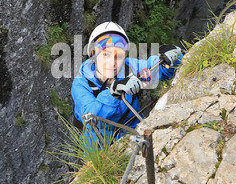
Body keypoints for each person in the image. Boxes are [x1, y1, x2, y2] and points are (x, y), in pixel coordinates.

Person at [71, 22, 183, 150]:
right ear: (93, 54)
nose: (112, 63)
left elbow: (161, 70)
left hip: (132, 137)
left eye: (118, 56)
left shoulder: (128, 68)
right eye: (106, 54)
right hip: (98, 149)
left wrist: (172, 56)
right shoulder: (81, 83)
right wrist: (113, 92)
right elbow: (90, 114)